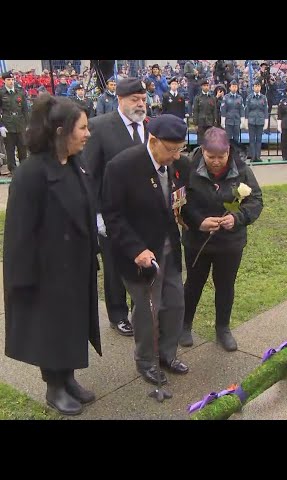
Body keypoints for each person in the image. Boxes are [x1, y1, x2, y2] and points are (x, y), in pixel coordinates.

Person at [3, 94, 101, 416]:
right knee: (52, 329)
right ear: (61, 131)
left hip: (74, 268)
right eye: (82, 128)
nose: (88, 134)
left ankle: (68, 378)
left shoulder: (76, 164)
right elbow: (19, 234)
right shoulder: (31, 174)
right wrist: (22, 281)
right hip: (46, 274)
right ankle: (54, 387)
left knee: (72, 326)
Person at [101, 115, 190, 385]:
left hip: (169, 249)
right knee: (147, 311)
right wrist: (136, 249)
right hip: (138, 256)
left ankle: (166, 354)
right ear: (153, 141)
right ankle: (146, 362)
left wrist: (195, 219)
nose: (176, 156)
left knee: (175, 304)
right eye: (171, 149)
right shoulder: (122, 166)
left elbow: (183, 201)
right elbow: (112, 216)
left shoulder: (179, 165)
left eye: (180, 149)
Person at [179, 127, 263, 350]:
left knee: (225, 285)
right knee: (193, 283)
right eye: (210, 157)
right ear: (202, 151)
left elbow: (255, 200)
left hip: (230, 241)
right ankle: (184, 325)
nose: (216, 162)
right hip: (198, 240)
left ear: (228, 152)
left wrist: (237, 218)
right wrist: (199, 222)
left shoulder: (242, 170)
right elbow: (181, 202)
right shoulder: (188, 168)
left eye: (221, 157)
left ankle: (223, 328)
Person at [84, 77, 151, 337]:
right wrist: (97, 215)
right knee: (114, 267)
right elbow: (91, 174)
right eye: (135, 99)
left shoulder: (149, 126)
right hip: (111, 213)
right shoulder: (100, 127)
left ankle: (140, 309)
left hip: (142, 213)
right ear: (120, 100)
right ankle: (117, 314)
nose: (140, 104)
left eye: (143, 100)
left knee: (141, 260)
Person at [0, 72, 29, 176]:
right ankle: (12, 169)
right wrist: (1, 126)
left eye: (12, 79)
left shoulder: (19, 92)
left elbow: (25, 109)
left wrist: (27, 124)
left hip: (20, 123)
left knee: (22, 147)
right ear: (4, 81)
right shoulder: (1, 93)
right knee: (10, 148)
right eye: (8, 80)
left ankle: (24, 168)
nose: (11, 82)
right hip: (8, 124)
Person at [244, 80, 269, 162]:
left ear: (260, 87)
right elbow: (247, 110)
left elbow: (265, 110)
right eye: (255, 86)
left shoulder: (263, 98)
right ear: (253, 87)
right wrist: (246, 121)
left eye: (258, 86)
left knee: (259, 139)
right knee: (251, 140)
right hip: (251, 121)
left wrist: (266, 121)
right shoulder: (249, 97)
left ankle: (258, 156)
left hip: (260, 121)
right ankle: (253, 157)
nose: (257, 88)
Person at [192, 79, 216, 145]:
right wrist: (195, 123)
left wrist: (214, 123)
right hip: (201, 122)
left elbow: (214, 111)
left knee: (210, 141)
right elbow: (195, 111)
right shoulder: (198, 98)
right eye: (204, 85)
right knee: (201, 141)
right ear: (201, 87)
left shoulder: (212, 98)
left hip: (210, 122)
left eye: (207, 85)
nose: (206, 87)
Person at [220, 80, 244, 144]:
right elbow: (223, 109)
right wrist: (223, 120)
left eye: (236, 87)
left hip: (237, 121)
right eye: (233, 86)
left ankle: (235, 153)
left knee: (236, 139)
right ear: (230, 88)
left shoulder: (240, 98)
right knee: (228, 140)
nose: (234, 88)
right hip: (228, 121)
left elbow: (241, 109)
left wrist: (242, 120)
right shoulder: (226, 97)